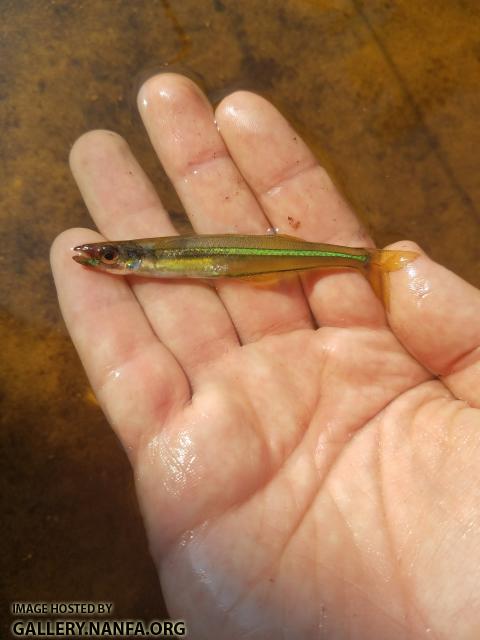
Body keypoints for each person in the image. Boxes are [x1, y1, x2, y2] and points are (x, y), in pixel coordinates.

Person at [50, 73, 480, 639]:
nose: (104, 259)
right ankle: (361, 262)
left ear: (129, 256)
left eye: (109, 256)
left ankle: (363, 263)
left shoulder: (147, 257)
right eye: (108, 257)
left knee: (347, 259)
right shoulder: (145, 259)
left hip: (258, 258)